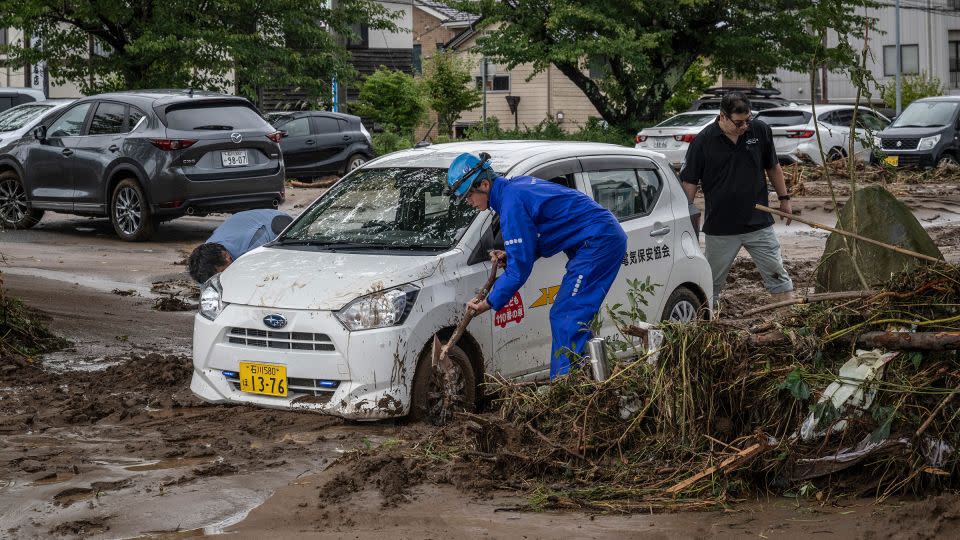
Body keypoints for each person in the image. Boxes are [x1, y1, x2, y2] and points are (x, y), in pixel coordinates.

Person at [448, 152, 627, 378]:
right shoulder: (513, 191)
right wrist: (512, 254)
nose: (469, 203)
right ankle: (587, 383)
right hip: (596, 239)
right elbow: (535, 240)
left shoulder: (511, 203)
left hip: (598, 242)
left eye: (469, 196)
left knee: (565, 316)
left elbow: (518, 271)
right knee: (572, 316)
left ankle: (565, 392)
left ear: (484, 184)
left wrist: (488, 303)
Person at [679, 91, 795, 308]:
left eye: (747, 121)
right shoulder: (703, 142)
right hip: (721, 228)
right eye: (739, 123)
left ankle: (788, 315)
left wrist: (784, 198)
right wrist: (686, 218)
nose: (744, 127)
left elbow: (773, 166)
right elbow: (689, 183)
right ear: (722, 116)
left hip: (758, 224)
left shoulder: (759, 131)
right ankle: (707, 323)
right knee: (710, 283)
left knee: (777, 275)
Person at [188, 209, 293, 283]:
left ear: (226, 256)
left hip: (276, 222)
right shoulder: (206, 251)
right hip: (244, 221)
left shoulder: (251, 250)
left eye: (221, 273)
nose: (220, 279)